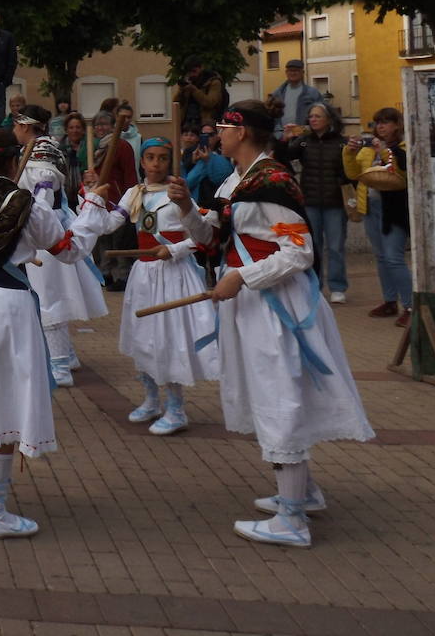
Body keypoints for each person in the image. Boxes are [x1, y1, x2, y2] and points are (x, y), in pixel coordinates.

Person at [168, 101, 374, 549]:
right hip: (250, 305)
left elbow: (299, 252)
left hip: (277, 307)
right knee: (273, 393)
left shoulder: (273, 181)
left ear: (241, 133)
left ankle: (292, 519)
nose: (216, 134)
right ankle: (304, 493)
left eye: (223, 127)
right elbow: (215, 238)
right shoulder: (236, 180)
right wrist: (187, 209)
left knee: (279, 394)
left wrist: (244, 276)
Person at [0, 128, 114, 539]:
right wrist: (94, 207)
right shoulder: (30, 208)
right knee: (2, 401)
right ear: (14, 163)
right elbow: (71, 252)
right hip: (4, 307)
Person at [97, 137, 219, 434]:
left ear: (171, 161)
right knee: (145, 336)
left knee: (169, 337)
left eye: (162, 158)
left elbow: (203, 235)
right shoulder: (134, 193)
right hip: (144, 275)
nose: (155, 164)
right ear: (142, 162)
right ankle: (151, 399)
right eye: (150, 157)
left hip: (174, 275)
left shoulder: (180, 193)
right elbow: (110, 224)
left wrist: (174, 250)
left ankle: (176, 409)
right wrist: (93, 198)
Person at [14, 105, 107, 387]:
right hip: (43, 223)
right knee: (47, 293)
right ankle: (65, 353)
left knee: (48, 295)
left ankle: (60, 366)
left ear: (26, 126)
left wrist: (31, 220)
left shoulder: (41, 155)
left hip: (42, 227)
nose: (14, 131)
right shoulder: (43, 149)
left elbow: (43, 191)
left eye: (16, 126)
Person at [277, 102, 350, 303]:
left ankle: (337, 287)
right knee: (313, 246)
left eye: (318, 116)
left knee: (335, 247)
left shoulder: (341, 143)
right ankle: (314, 285)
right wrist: (285, 139)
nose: (314, 119)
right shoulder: (303, 142)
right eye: (311, 116)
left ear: (328, 120)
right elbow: (284, 157)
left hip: (335, 202)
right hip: (310, 201)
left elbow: (349, 172)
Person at [344, 108, 411, 325]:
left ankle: (411, 306)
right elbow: (353, 174)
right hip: (370, 208)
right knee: (381, 258)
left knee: (394, 258)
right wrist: (349, 152)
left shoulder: (403, 148)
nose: (380, 127)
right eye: (377, 123)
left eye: (385, 122)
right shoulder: (368, 148)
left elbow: (402, 173)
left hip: (394, 211)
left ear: (397, 125)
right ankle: (390, 301)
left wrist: (384, 152)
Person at [90, 109, 138, 291]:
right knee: (103, 240)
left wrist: (131, 199)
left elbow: (130, 175)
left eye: (104, 124)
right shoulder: (98, 147)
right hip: (100, 200)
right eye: (97, 124)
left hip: (118, 200)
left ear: (112, 126)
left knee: (120, 241)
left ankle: (123, 276)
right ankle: (105, 274)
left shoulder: (122, 146)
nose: (100, 128)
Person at [268, 60, 322, 141]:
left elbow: (322, 117)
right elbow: (272, 117)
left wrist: (298, 132)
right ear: (286, 72)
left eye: (296, 70)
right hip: (282, 139)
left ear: (302, 72)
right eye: (290, 71)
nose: (293, 73)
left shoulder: (313, 93)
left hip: (305, 140)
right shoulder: (277, 93)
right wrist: (279, 135)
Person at [177, 57, 228, 128]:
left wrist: (193, 89)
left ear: (201, 68)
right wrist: (181, 90)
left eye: (194, 71)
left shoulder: (214, 82)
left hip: (206, 123)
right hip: (187, 122)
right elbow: (177, 103)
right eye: (189, 72)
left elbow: (210, 102)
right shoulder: (188, 81)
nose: (192, 74)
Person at [58, 111, 88, 208]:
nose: (75, 131)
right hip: (66, 198)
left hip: (86, 196)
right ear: (66, 130)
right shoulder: (59, 150)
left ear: (83, 130)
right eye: (71, 127)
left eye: (78, 127)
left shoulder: (89, 148)